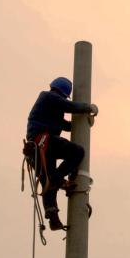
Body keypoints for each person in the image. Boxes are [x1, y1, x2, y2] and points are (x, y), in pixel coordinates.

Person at [26, 77, 98, 230]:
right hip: (43, 142)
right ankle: (58, 179)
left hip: (40, 148)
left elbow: (66, 126)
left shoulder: (52, 109)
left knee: (47, 183)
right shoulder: (48, 96)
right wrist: (87, 107)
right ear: (63, 93)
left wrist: (84, 125)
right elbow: (68, 106)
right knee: (77, 152)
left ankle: (53, 217)